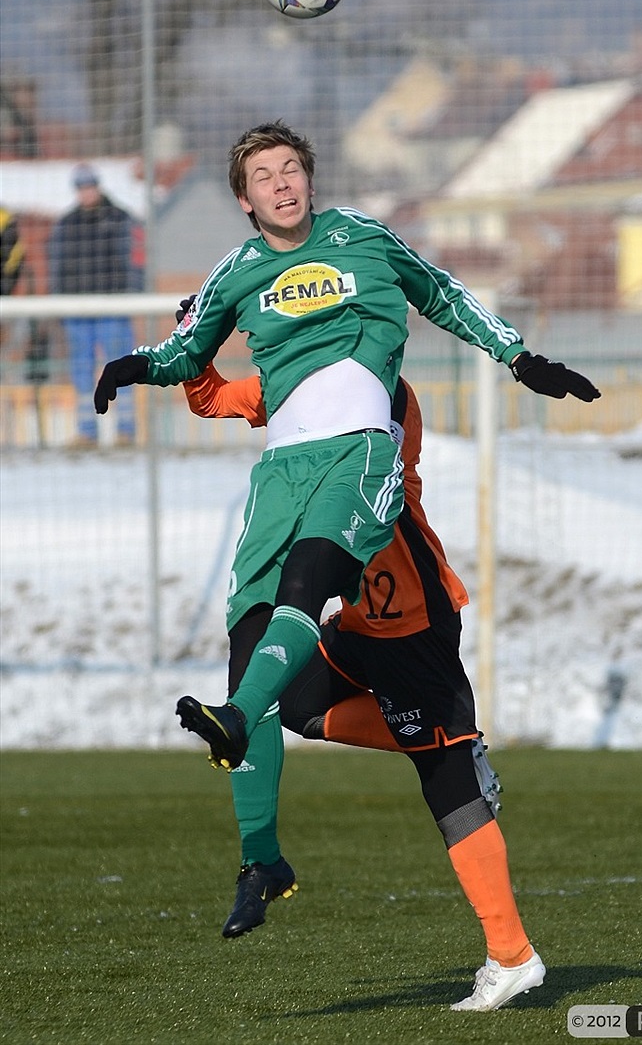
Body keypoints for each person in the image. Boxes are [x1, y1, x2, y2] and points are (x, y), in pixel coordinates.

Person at [94, 119, 598, 1007]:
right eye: (265, 174)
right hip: (309, 531)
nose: (283, 182)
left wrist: (523, 359)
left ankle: (512, 952)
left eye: (294, 167)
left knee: (435, 763)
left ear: (311, 181)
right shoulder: (252, 305)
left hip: (400, 592)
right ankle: (263, 851)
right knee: (281, 681)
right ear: (245, 198)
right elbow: (213, 383)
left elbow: (441, 293)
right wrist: (149, 362)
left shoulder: (371, 339)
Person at [180, 344, 543, 1013]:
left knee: (450, 796)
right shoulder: (301, 372)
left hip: (409, 624)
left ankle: (512, 954)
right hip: (357, 626)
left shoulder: (381, 389)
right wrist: (193, 350)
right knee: (291, 696)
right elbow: (212, 399)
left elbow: (362, 454)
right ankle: (445, 739)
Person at [48, 163, 144, 446]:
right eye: (80, 187)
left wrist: (132, 296)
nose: (85, 192)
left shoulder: (120, 219)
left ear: (97, 186)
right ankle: (87, 430)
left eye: (89, 186)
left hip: (112, 306)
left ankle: (126, 430)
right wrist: (59, 303)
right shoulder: (67, 224)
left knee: (120, 367)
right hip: (78, 309)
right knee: (81, 370)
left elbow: (136, 259)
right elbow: (57, 266)